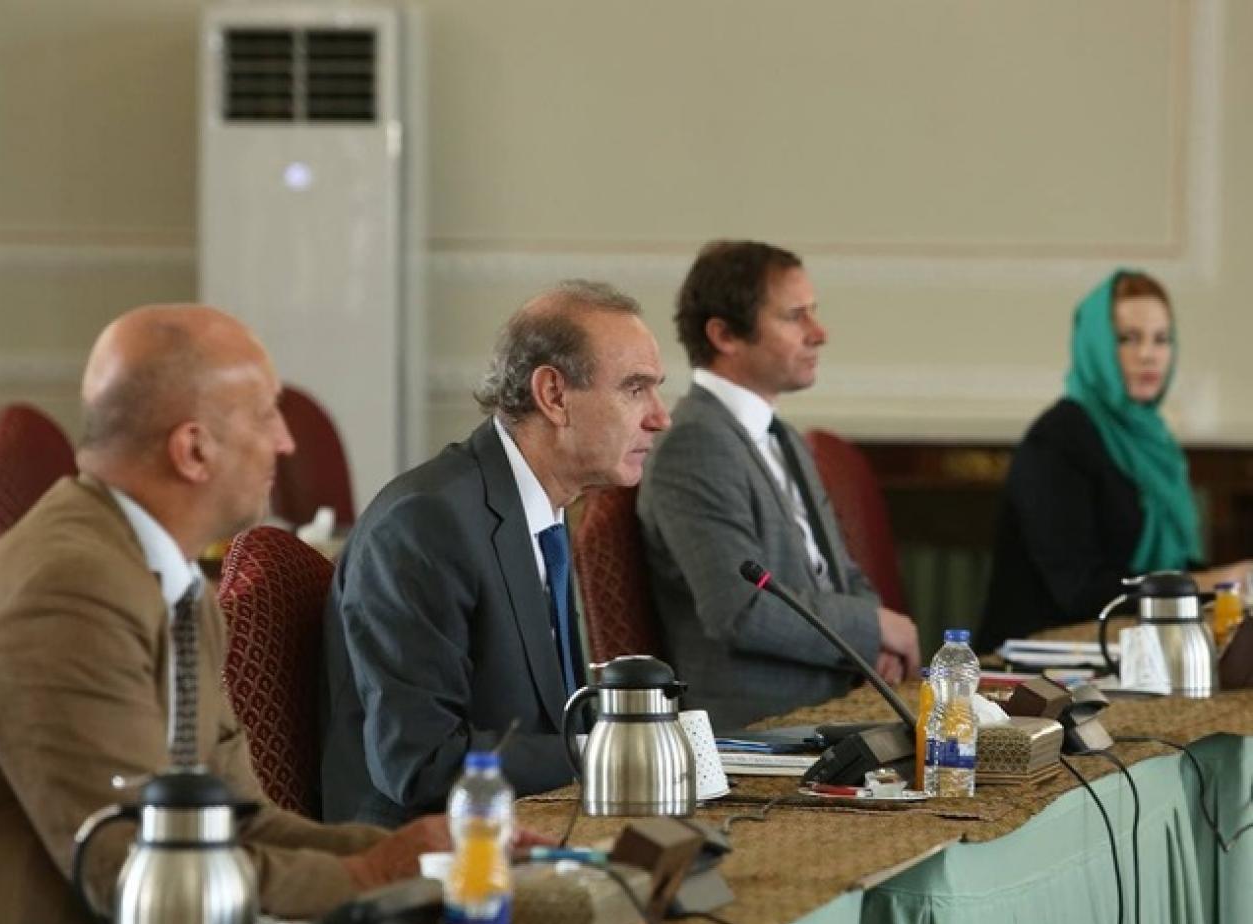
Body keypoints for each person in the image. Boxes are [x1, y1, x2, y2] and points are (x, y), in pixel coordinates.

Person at [0, 305, 451, 924]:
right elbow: (133, 865)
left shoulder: (172, 585)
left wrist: (410, 854)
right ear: (193, 449)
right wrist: (370, 877)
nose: (286, 442)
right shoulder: (68, 591)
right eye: (265, 415)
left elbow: (234, 822)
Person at [321, 280, 671, 827]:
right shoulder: (425, 524)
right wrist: (612, 753)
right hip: (425, 848)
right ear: (554, 396)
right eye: (634, 389)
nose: (659, 416)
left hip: (535, 820)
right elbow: (420, 762)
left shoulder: (546, 509)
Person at [637, 240, 921, 729]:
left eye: (814, 312)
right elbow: (740, 608)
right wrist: (874, 627)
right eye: (795, 316)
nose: (819, 333)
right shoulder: (694, 444)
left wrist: (873, 644)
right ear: (724, 335)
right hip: (760, 729)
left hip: (832, 706)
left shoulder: (783, 436)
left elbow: (841, 574)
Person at [979, 271, 1253, 650]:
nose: (1148, 354)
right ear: (1096, 346)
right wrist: (1213, 582)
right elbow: (1080, 591)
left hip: (1128, 650)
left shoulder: (1155, 442)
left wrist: (1233, 580)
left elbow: (1169, 568)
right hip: (1037, 660)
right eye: (1128, 339)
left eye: (1161, 339)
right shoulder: (1057, 439)